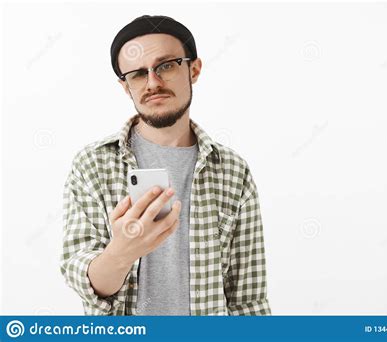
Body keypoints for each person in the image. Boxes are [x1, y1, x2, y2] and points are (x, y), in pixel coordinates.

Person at [60, 15, 271, 316]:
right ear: (125, 86)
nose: (153, 83)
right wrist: (122, 251)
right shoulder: (92, 164)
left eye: (166, 66)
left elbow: (248, 301)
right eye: (137, 74)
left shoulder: (233, 170)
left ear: (193, 69)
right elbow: (83, 279)